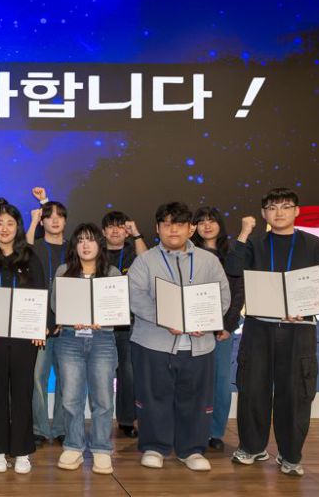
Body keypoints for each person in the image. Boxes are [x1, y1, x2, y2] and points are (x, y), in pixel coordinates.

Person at [225, 188, 319, 476]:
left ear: (297, 211)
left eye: (286, 206)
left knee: (295, 393)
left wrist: (307, 307)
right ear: (264, 214)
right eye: (272, 207)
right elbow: (233, 268)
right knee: (252, 388)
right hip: (259, 327)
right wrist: (244, 232)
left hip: (299, 328)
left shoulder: (314, 245)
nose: (279, 212)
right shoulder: (255, 242)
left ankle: (290, 454)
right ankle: (252, 447)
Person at [128, 201, 230, 472]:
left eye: (180, 224)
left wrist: (206, 321)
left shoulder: (209, 261)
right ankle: (154, 447)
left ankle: (192, 450)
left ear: (190, 228)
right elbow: (135, 297)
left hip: (199, 343)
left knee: (196, 399)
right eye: (167, 224)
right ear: (157, 228)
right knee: (153, 397)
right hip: (153, 342)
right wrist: (166, 319)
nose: (173, 230)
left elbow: (222, 295)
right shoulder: (145, 260)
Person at [0, 204, 47, 474]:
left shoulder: (30, 257)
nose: (4, 229)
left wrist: (40, 327)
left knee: (22, 392)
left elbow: (42, 291)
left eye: (10, 224)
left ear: (18, 228)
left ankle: (22, 451)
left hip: (25, 335)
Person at [52, 223, 120, 475]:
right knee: (71, 398)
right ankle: (74, 446)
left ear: (99, 244)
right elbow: (56, 304)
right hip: (70, 338)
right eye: (80, 240)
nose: (85, 245)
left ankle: (101, 448)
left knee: (103, 398)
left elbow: (118, 307)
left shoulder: (111, 273)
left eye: (90, 240)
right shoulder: (64, 271)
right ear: (74, 246)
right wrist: (71, 317)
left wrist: (104, 318)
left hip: (103, 338)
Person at [190, 207, 245, 451]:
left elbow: (238, 292)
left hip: (222, 329)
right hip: (192, 328)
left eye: (211, 221)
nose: (207, 225)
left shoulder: (231, 254)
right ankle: (192, 428)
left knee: (221, 382)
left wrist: (228, 326)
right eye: (201, 221)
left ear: (220, 225)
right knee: (192, 381)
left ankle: (215, 432)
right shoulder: (187, 254)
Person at [101, 210, 148, 438]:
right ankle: (100, 420)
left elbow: (148, 261)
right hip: (101, 324)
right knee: (101, 374)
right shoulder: (96, 253)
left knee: (128, 373)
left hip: (128, 323)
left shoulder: (133, 251)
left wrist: (136, 233)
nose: (115, 230)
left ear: (126, 231)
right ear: (103, 232)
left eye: (120, 226)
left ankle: (127, 420)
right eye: (110, 226)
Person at [27, 200, 68, 445]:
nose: (54, 220)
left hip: (67, 326)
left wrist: (66, 317)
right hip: (38, 323)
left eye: (59, 216)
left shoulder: (73, 248)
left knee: (66, 379)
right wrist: (33, 221)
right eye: (49, 216)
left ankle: (61, 427)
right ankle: (39, 429)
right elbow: (23, 251)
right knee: (37, 378)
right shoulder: (36, 247)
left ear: (65, 221)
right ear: (42, 221)